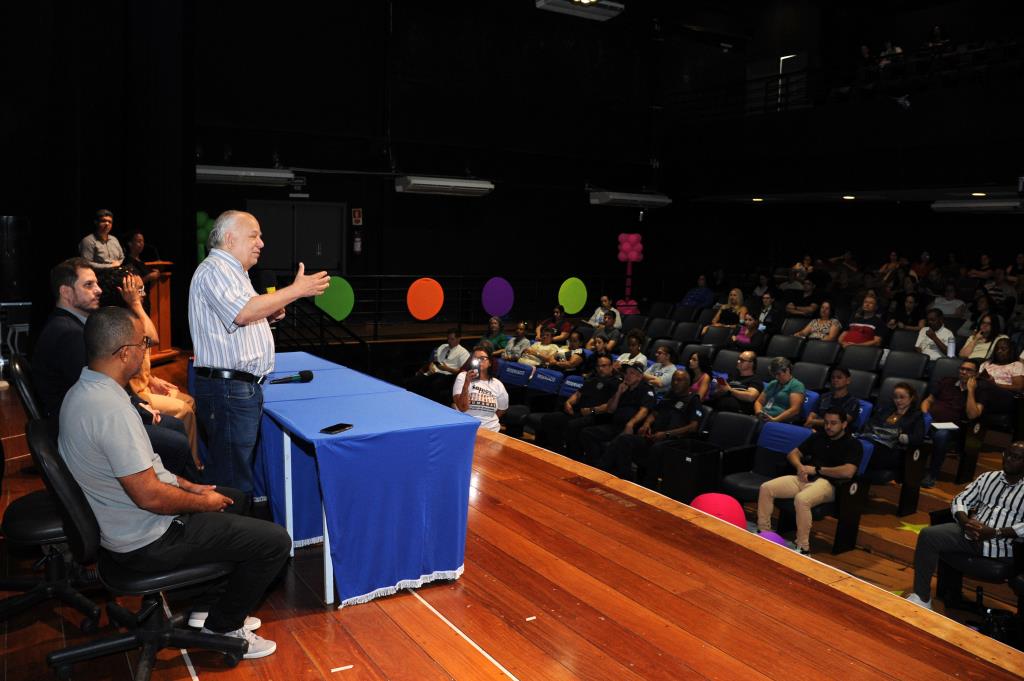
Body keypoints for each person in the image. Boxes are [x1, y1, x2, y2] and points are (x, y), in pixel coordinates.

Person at [59, 306, 290, 659]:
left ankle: (205, 607)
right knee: (274, 541)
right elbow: (149, 496)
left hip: (123, 524)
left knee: (235, 499)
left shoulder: (85, 389)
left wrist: (189, 486)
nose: (146, 350)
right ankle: (224, 625)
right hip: (146, 541)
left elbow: (145, 468)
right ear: (124, 354)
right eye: (143, 344)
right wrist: (202, 503)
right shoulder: (110, 409)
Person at [188, 210, 330, 492]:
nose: (261, 243)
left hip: (236, 389)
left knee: (235, 470)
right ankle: (231, 534)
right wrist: (297, 290)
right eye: (254, 235)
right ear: (229, 239)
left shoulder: (234, 273)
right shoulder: (216, 269)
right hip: (228, 389)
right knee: (231, 479)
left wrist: (268, 313)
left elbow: (242, 315)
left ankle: (236, 530)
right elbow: (242, 313)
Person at [33, 258, 194, 478]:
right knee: (176, 440)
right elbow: (99, 392)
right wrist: (140, 411)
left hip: (92, 418)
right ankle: (187, 496)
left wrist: (140, 405)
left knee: (175, 427)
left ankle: (189, 489)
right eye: (88, 285)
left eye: (97, 284)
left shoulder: (71, 325)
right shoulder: (68, 334)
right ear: (66, 292)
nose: (98, 290)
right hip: (85, 429)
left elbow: (105, 384)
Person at [906, 442, 1024, 611]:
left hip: (1002, 545)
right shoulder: (989, 477)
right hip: (971, 534)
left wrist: (995, 532)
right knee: (928, 535)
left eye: (1016, 457)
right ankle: (922, 597)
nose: (1009, 460)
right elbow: (960, 499)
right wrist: (965, 522)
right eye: (1007, 454)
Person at [757, 408, 862, 554]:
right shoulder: (818, 437)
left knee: (802, 499)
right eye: (826, 423)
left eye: (833, 423)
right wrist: (800, 467)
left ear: (844, 424)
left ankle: (803, 547)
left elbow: (848, 472)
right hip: (804, 478)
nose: (828, 427)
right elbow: (793, 454)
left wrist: (817, 470)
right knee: (766, 488)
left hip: (828, 484)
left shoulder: (853, 444)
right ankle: (764, 531)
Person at [607, 370, 702, 483]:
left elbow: (693, 427)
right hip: (654, 436)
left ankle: (648, 485)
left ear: (688, 382)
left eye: (679, 380)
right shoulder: (669, 396)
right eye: (673, 380)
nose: (675, 383)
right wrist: (647, 424)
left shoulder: (693, 400)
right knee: (624, 439)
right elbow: (654, 413)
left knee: (656, 448)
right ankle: (625, 479)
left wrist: (667, 434)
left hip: (673, 441)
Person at [534, 354, 619, 457]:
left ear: (611, 366)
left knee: (573, 425)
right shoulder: (592, 379)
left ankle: (573, 457)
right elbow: (578, 394)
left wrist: (591, 410)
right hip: (579, 412)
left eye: (604, 366)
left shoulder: (616, 383)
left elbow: (609, 406)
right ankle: (557, 451)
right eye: (598, 366)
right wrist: (568, 403)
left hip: (596, 417)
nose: (601, 369)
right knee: (549, 419)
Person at [579, 361, 657, 470]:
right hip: (615, 425)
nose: (627, 376)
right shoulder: (624, 388)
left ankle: (602, 469)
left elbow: (644, 410)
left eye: (632, 373)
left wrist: (631, 423)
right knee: (587, 432)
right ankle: (593, 465)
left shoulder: (646, 389)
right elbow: (610, 409)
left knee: (616, 443)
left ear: (639, 377)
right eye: (626, 373)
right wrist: (619, 392)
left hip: (632, 429)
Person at [920, 359, 986, 488]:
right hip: (929, 421)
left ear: (976, 374)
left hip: (951, 428)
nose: (963, 372)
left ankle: (932, 474)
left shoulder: (980, 391)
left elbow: (972, 414)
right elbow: (927, 401)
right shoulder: (946, 381)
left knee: (941, 435)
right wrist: (925, 415)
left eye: (968, 370)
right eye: (962, 369)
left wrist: (971, 391)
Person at [861, 382, 925, 471]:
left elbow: (918, 438)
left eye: (902, 397)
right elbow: (870, 423)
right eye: (895, 397)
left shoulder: (916, 416)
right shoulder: (886, 409)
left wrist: (900, 437)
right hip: (874, 441)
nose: (898, 400)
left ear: (911, 398)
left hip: (893, 449)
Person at [452, 346, 508, 432]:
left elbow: (501, 410)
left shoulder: (497, 384)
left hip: (491, 431)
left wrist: (486, 421)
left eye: (482, 358)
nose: (479, 361)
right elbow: (462, 408)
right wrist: (467, 383)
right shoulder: (463, 376)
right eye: (475, 358)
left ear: (490, 363)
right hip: (467, 428)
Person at [408, 328, 471, 403]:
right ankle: (413, 401)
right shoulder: (443, 346)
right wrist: (431, 365)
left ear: (459, 339)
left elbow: (462, 372)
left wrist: (447, 369)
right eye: (448, 339)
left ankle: (428, 404)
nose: (449, 341)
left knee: (433, 385)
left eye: (452, 339)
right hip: (434, 372)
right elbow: (435, 360)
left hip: (448, 375)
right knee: (414, 381)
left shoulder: (463, 353)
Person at [708, 350, 762, 415]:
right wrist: (720, 390)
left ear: (751, 363)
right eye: (738, 359)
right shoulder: (732, 376)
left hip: (737, 412)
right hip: (718, 407)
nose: (738, 361)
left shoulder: (755, 380)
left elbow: (750, 397)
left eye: (742, 360)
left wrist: (730, 391)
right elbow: (715, 394)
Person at [754, 357, 805, 424]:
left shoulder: (796, 385)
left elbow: (795, 410)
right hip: (764, 417)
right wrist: (759, 413)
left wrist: (775, 419)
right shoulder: (773, 383)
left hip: (779, 421)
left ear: (787, 370)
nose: (776, 377)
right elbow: (759, 402)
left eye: (778, 374)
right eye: (774, 374)